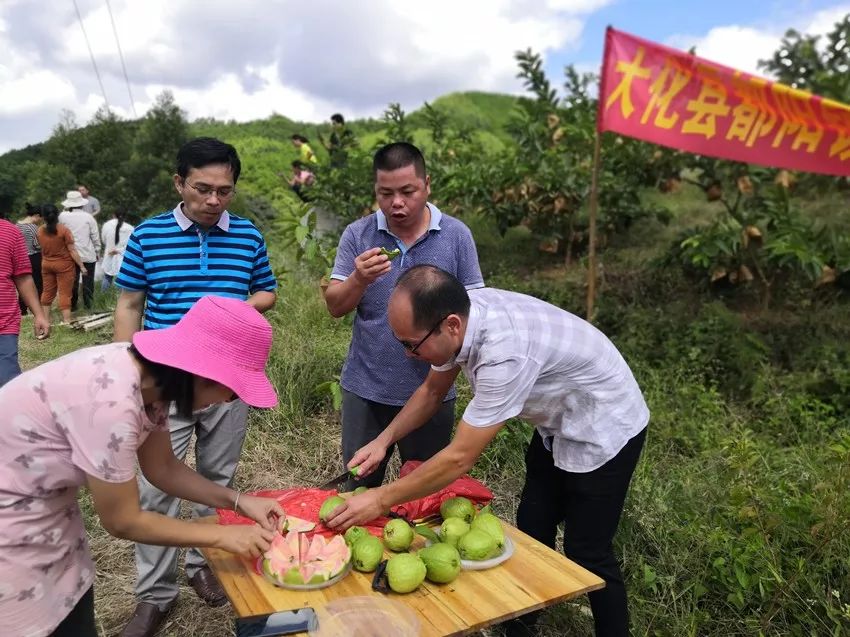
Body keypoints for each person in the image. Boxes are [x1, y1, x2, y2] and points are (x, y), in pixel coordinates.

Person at [327, 265, 650, 637]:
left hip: (606, 425)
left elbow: (460, 457)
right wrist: (383, 442)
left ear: (450, 325)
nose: (408, 354)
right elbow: (432, 392)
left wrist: (380, 499)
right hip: (557, 421)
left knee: (587, 550)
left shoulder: (504, 354)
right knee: (532, 527)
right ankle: (521, 624)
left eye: (411, 345)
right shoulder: (461, 318)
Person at [0, 295, 284, 637]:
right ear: (204, 374)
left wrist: (238, 501)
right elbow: (123, 520)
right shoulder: (109, 402)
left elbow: (163, 468)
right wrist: (222, 535)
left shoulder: (150, 383)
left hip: (49, 512)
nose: (227, 401)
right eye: (234, 391)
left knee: (71, 602)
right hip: (11, 526)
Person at [114, 137, 278, 637]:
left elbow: (266, 289)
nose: (213, 200)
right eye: (202, 189)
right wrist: (126, 365)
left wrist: (230, 321)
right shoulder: (148, 236)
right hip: (165, 382)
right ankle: (155, 595)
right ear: (179, 182)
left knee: (217, 476)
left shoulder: (247, 236)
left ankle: (202, 562)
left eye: (224, 191)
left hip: (226, 382)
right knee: (155, 484)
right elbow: (129, 304)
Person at [323, 142, 484, 490]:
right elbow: (335, 306)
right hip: (366, 390)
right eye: (386, 193)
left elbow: (476, 311)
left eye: (408, 191)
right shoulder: (359, 234)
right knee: (358, 490)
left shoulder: (456, 236)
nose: (397, 203)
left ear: (427, 185)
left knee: (424, 495)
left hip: (433, 390)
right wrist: (358, 278)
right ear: (376, 191)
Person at [0, 215, 50, 387]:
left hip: (4, 323)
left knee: (8, 383)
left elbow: (23, 277)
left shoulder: (10, 232)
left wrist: (39, 314)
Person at [39, 204, 85, 325]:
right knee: (65, 293)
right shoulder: (64, 230)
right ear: (57, 215)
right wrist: (81, 265)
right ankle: (66, 321)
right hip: (64, 265)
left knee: (47, 292)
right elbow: (72, 250)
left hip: (46, 264)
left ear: (43, 216)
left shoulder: (40, 230)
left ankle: (45, 320)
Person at [59, 190, 101, 311]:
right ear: (82, 204)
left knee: (72, 282)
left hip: (69, 255)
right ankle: (88, 306)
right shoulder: (89, 217)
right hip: (88, 254)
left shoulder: (62, 217)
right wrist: (97, 251)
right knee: (88, 282)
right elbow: (95, 236)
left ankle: (72, 306)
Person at [17, 203, 43, 315]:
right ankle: (37, 308)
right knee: (37, 284)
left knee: (22, 284)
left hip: (20, 258)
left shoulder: (16, 225)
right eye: (40, 218)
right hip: (34, 257)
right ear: (36, 215)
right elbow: (36, 245)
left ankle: (22, 309)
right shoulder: (33, 227)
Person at [100, 209, 134, 290]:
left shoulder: (106, 225)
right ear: (125, 217)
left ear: (113, 215)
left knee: (107, 277)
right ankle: (118, 299)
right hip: (122, 256)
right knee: (122, 279)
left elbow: (103, 239)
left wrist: (110, 247)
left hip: (109, 253)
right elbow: (131, 243)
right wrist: (119, 250)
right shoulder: (130, 228)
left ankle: (103, 298)